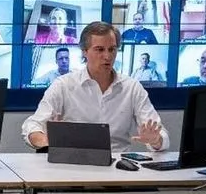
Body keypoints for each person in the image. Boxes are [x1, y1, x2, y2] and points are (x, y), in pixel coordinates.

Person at [22, 21, 168, 153]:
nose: (107, 56)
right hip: (74, 164)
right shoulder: (63, 85)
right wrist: (46, 141)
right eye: (100, 49)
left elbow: (161, 134)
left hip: (118, 167)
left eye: (112, 49)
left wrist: (155, 140)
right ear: (84, 51)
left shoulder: (132, 87)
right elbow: (32, 125)